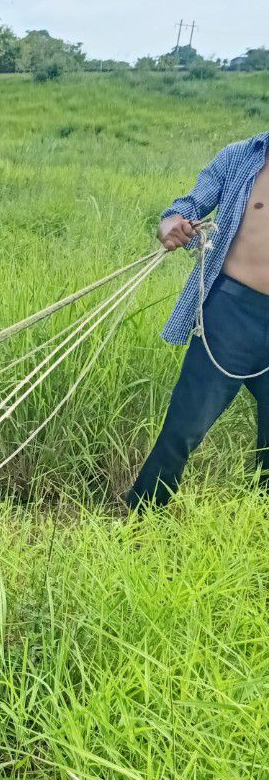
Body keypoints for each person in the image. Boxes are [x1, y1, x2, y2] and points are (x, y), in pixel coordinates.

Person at [126, 131, 269, 509]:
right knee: (183, 428)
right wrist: (170, 225)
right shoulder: (242, 157)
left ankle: (258, 530)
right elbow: (185, 208)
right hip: (230, 314)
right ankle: (141, 519)